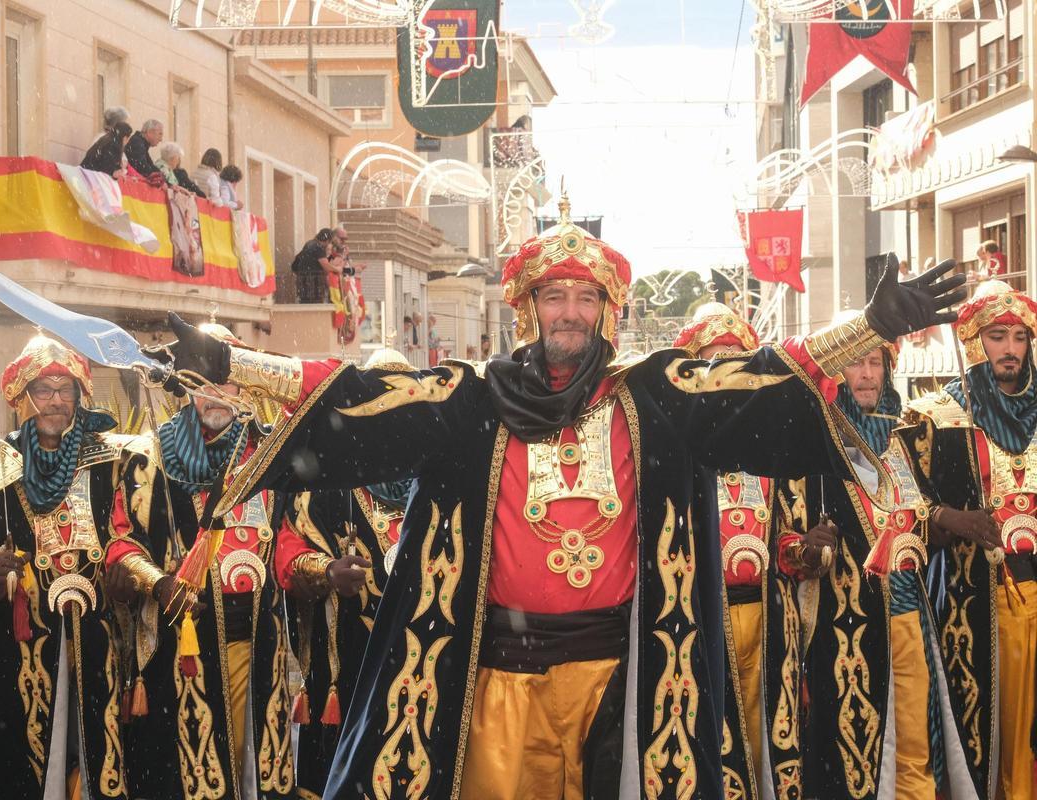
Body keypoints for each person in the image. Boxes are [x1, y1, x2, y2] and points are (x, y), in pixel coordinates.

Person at [150, 194, 965, 798]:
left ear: (606, 310)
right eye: (554, 296)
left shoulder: (653, 397)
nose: (570, 312)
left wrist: (869, 327)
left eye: (585, 297)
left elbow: (755, 382)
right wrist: (229, 365)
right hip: (497, 682)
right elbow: (363, 398)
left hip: (626, 682)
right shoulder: (473, 399)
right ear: (529, 310)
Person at [107, 317, 296, 800]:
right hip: (183, 646)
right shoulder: (149, 457)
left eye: (224, 381)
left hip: (259, 640)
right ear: (187, 389)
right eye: (202, 383)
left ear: (243, 384)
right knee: (188, 774)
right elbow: (121, 543)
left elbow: (292, 537)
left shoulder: (270, 454)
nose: (214, 394)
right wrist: (158, 582)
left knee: (256, 772)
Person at [0, 335, 142, 799]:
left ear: (80, 395)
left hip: (100, 637)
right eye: (43, 389)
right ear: (23, 396)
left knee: (97, 747)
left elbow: (134, 534)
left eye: (66, 389)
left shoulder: (113, 460)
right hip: (22, 645)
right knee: (23, 756)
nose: (55, 400)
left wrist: (130, 572)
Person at [785, 317, 948, 798]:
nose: (867, 374)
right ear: (836, 372)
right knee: (853, 750)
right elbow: (787, 537)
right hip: (846, 625)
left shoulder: (905, 440)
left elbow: (923, 516)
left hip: (910, 614)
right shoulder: (814, 445)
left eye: (876, 362)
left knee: (915, 748)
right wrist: (806, 546)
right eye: (856, 362)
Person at [672, 303, 816, 798]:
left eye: (737, 361)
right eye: (715, 361)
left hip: (770, 619)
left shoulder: (773, 447)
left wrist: (805, 550)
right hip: (705, 620)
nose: (727, 374)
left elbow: (788, 539)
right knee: (715, 742)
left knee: (769, 743)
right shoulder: (680, 449)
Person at [903, 279, 1037, 799]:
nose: (1010, 348)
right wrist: (947, 517)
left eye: (1020, 337)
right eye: (997, 336)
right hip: (975, 600)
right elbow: (903, 504)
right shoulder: (936, 416)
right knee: (980, 735)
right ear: (976, 343)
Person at [275, 348, 413, 798]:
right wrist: (327, 571)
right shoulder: (330, 480)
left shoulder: (438, 480)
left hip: (420, 657)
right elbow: (288, 549)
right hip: (349, 655)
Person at [291, 228, 337, 304]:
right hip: (313, 283)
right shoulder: (318, 247)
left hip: (304, 281)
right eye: (330, 242)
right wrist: (338, 269)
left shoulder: (309, 243)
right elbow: (326, 266)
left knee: (306, 303)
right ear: (327, 240)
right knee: (314, 304)